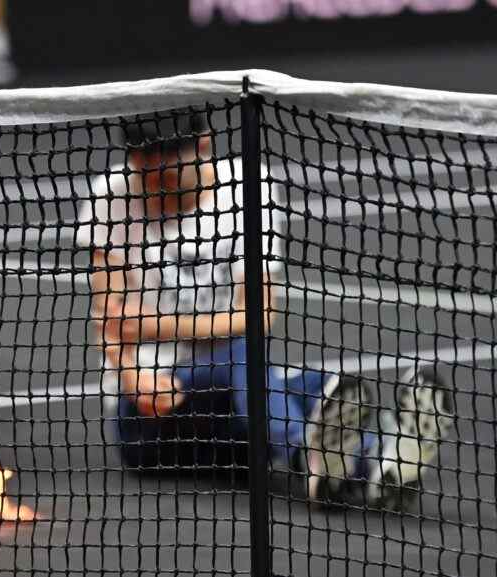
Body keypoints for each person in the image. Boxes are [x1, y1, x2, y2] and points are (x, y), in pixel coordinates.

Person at [77, 109, 454, 510]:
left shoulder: (246, 189)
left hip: (238, 418)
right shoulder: (112, 194)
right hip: (149, 425)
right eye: (142, 166)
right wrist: (134, 378)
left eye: (164, 169)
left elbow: (257, 315)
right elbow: (111, 318)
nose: (150, 178)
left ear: (203, 144)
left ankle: (371, 467)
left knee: (304, 381)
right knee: (263, 365)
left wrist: (154, 324)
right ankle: (368, 455)